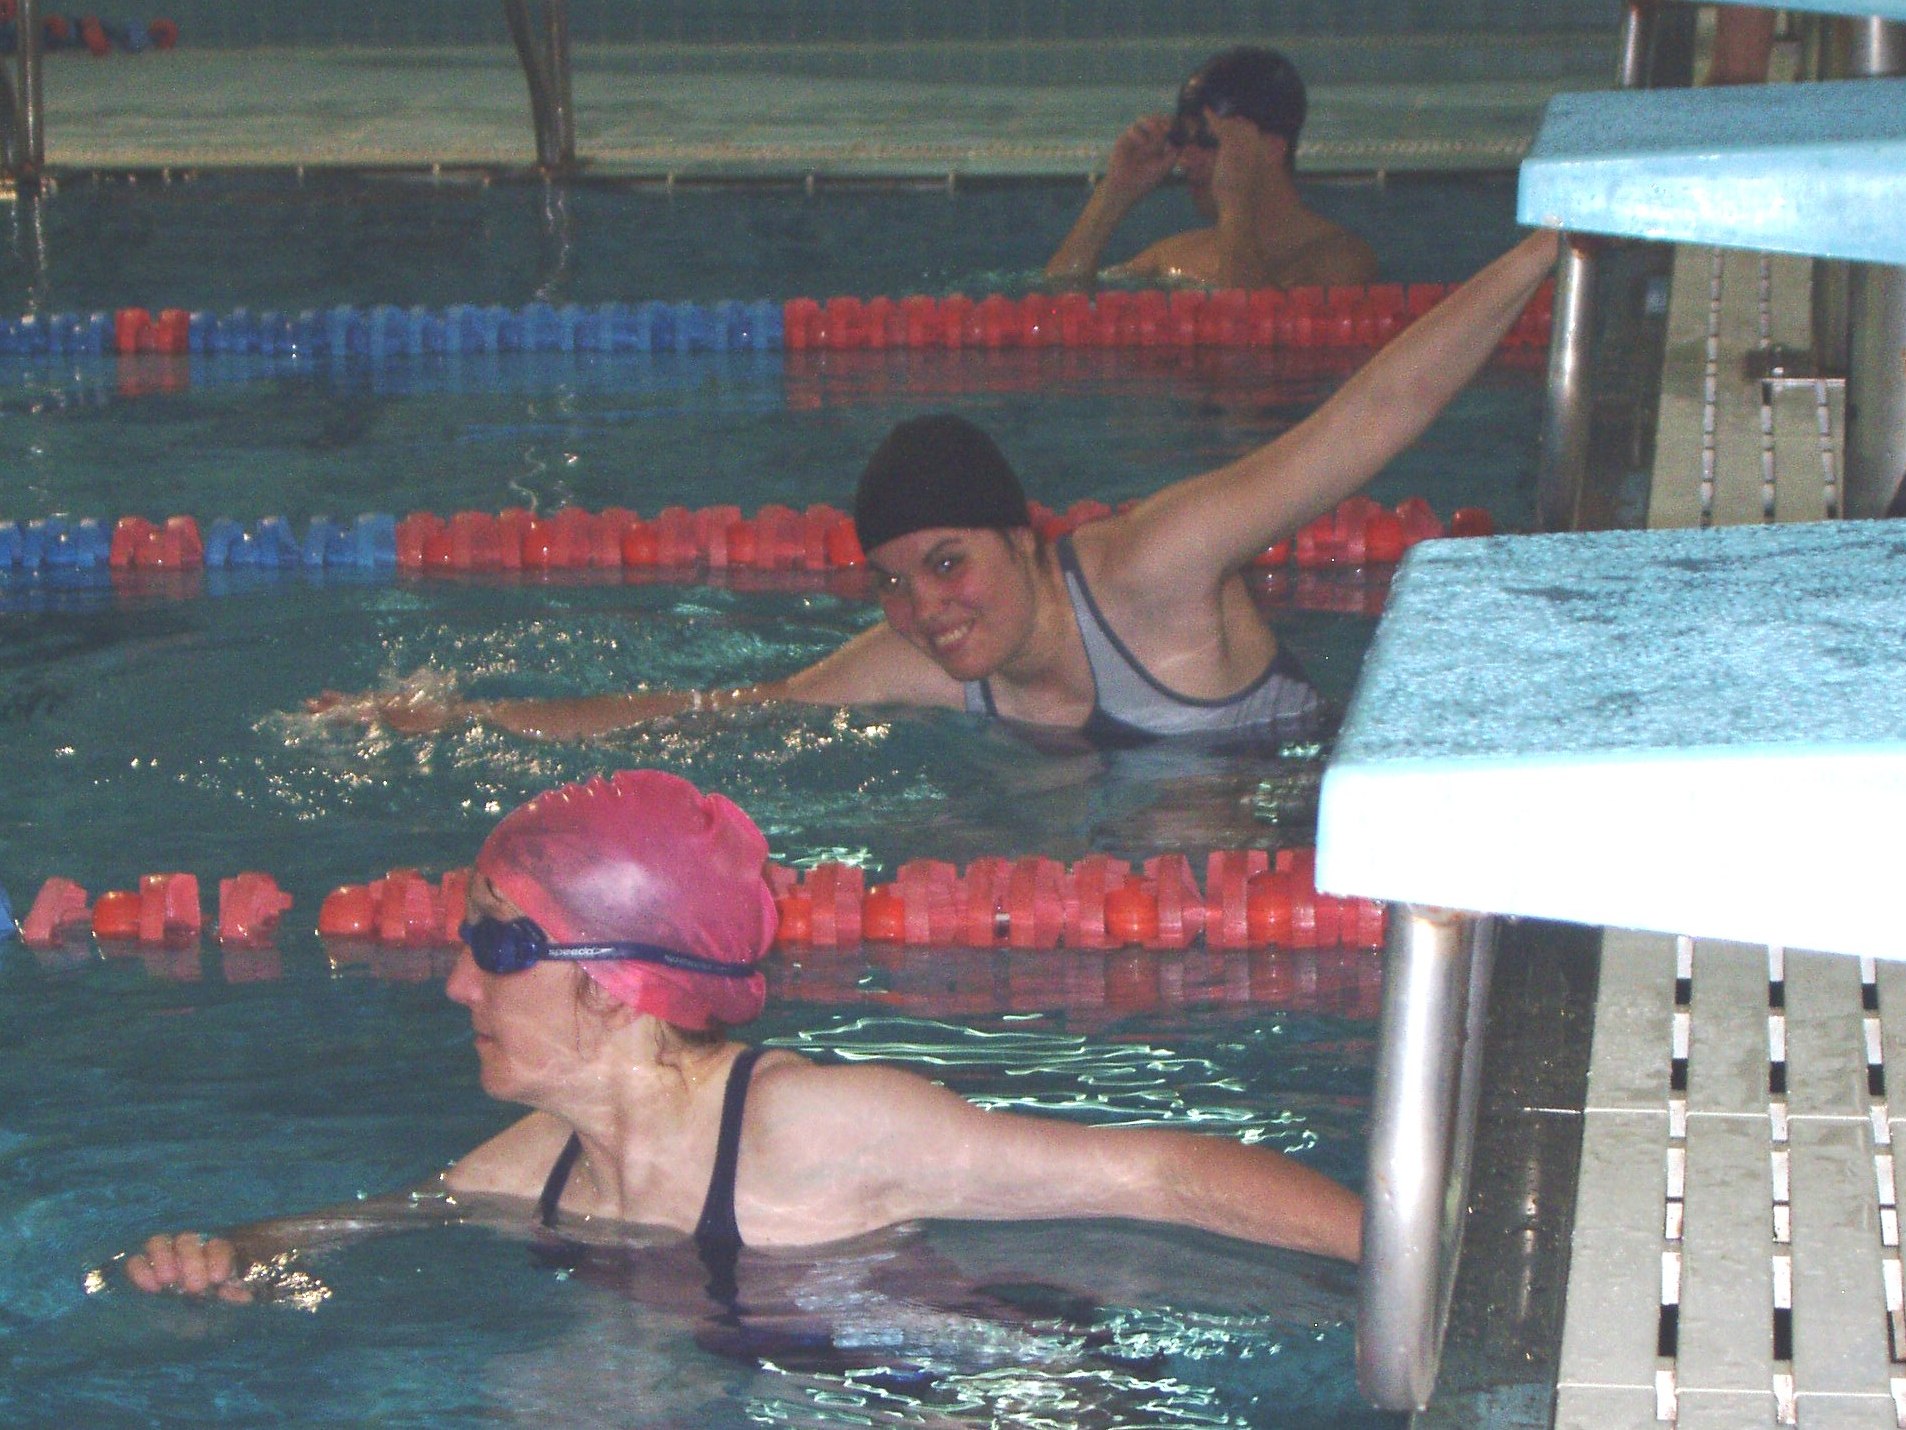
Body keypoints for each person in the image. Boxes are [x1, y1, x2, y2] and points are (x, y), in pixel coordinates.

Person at [120, 770, 1362, 1308]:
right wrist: (228, 1252)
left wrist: (1410, 1256)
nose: (454, 983)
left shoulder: (810, 1128)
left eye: (496, 947)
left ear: (616, 988)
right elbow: (370, 1223)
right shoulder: (536, 1169)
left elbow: (1153, 1171)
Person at [311, 228, 1560, 744]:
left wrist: (1551, 248)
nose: (925, 606)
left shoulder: (1155, 567)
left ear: (1026, 538)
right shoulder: (923, 662)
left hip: (1293, 806)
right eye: (894, 582)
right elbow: (709, 713)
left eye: (947, 562)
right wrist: (460, 715)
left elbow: (1365, 421)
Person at [1043, 46, 1378, 290]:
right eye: (1182, 140)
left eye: (1209, 141)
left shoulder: (1341, 261)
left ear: (1273, 148)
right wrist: (1114, 194)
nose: (1186, 159)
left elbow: (1249, 332)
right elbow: (1056, 299)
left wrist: (1235, 204)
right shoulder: (1174, 255)